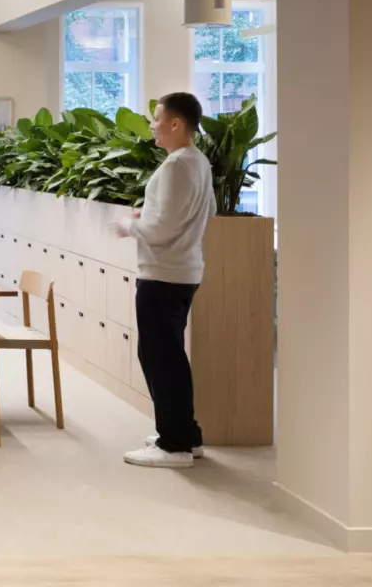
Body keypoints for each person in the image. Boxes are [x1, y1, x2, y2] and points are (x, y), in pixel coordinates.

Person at [112, 92, 216, 468]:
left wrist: (129, 225)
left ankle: (174, 445)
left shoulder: (176, 166)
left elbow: (159, 229)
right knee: (168, 355)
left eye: (158, 119)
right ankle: (185, 434)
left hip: (163, 273)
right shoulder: (199, 162)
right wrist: (152, 215)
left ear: (177, 123)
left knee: (160, 357)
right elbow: (204, 212)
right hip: (184, 270)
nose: (153, 125)